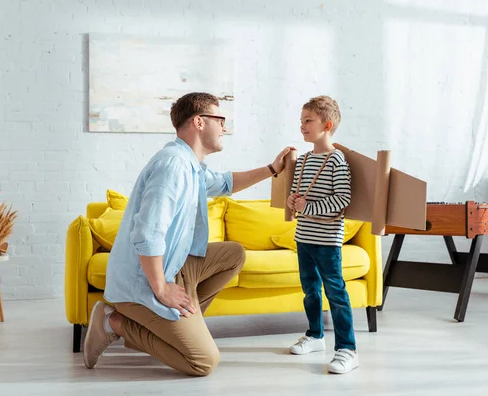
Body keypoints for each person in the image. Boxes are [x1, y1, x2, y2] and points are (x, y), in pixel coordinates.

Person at [83, 92, 294, 376]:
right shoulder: (173, 166)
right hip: (143, 284)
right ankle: (113, 324)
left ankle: (180, 323)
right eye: (220, 120)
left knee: (233, 254)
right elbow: (147, 234)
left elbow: (223, 183)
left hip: (176, 267)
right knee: (204, 362)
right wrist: (161, 288)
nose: (224, 128)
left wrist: (272, 169)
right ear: (199, 122)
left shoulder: (189, 165)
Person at [286, 96, 358, 374]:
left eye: (308, 121)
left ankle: (347, 349)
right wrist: (294, 201)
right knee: (310, 291)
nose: (302, 126)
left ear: (326, 125)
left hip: (327, 240)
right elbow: (298, 195)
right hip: (303, 237)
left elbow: (342, 200)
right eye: (301, 121)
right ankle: (315, 336)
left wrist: (309, 205)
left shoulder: (336, 160)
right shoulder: (303, 160)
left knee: (336, 293)